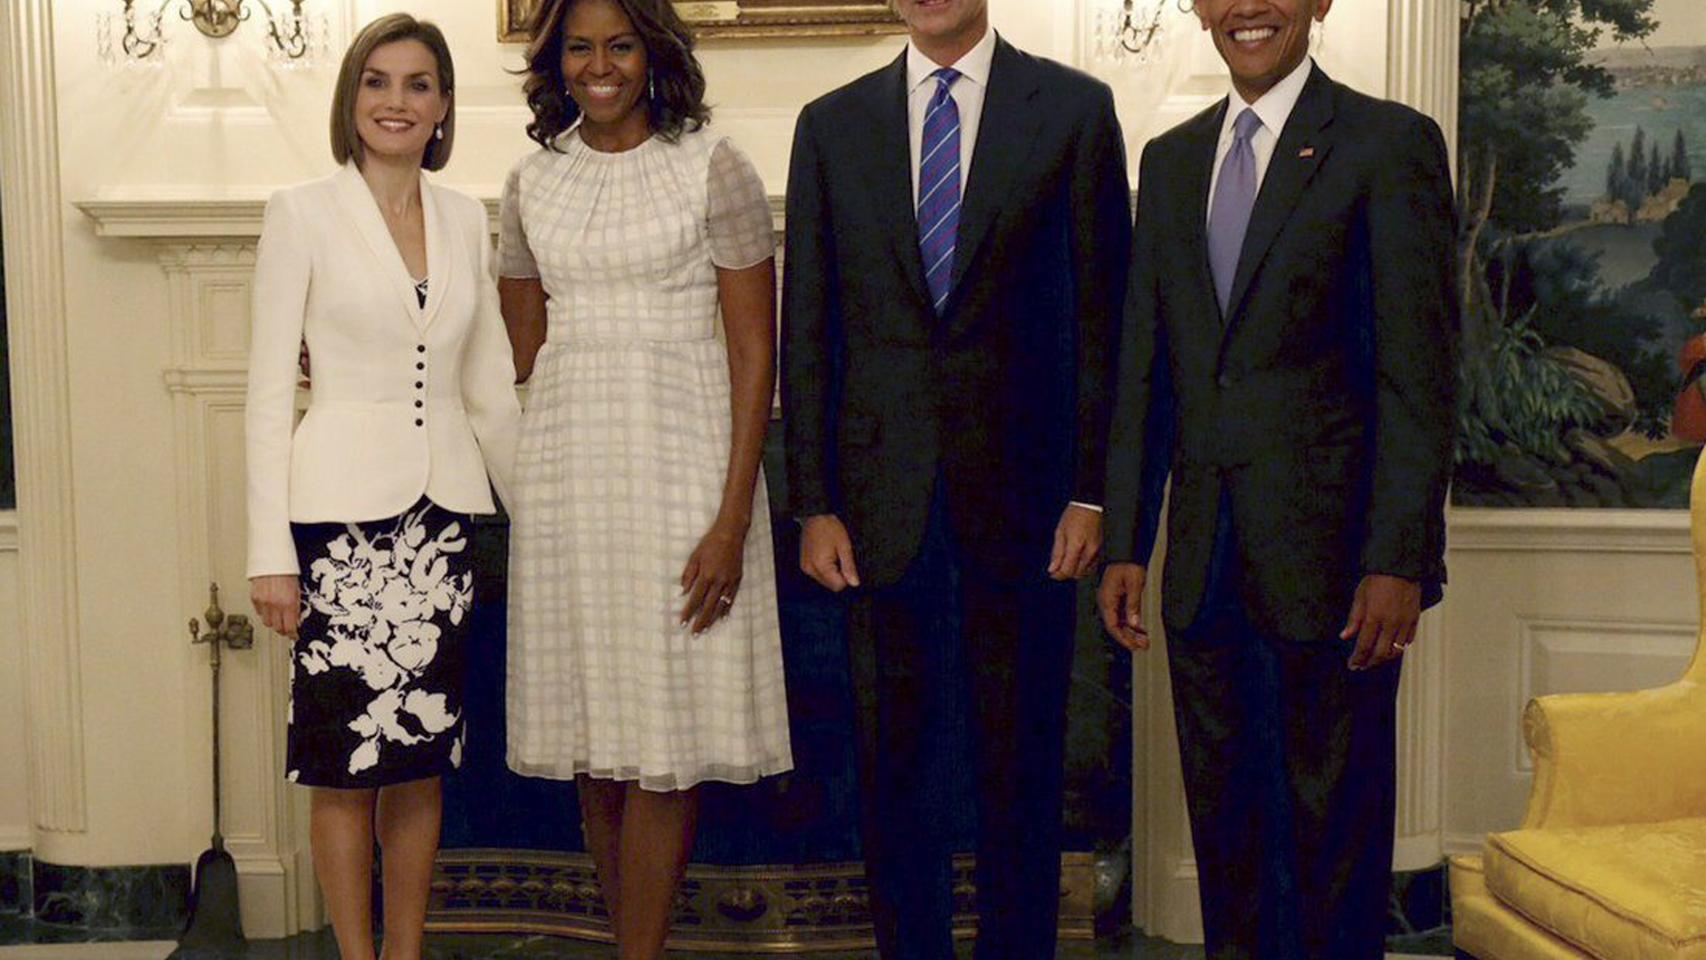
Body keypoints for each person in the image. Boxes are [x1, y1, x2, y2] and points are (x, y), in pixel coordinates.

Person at [1097, 0, 1458, 956]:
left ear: (1319, 2)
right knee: (1229, 841)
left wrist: (1400, 561)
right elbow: (1148, 370)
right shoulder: (1169, 162)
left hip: (1340, 573)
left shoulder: (1388, 144)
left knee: (1334, 846)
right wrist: (1128, 541)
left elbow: (1419, 377)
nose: (1246, 7)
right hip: (1204, 569)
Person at [780, 0, 1131, 955]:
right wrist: (814, 502)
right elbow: (807, 329)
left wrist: (1093, 491)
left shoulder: (1072, 109)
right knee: (896, 773)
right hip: (880, 510)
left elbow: (1106, 320)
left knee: (1022, 769)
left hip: (1030, 510)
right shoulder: (831, 125)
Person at [496, 0, 792, 955]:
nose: (600, 65)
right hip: (571, 478)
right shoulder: (532, 181)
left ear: (653, 52)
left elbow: (755, 353)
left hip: (684, 468)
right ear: (556, 63)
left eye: (618, 44)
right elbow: (521, 349)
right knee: (596, 732)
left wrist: (731, 516)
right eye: (579, 47)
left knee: (664, 741)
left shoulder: (714, 164)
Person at [245, 14, 520, 960]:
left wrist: (538, 514)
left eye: (416, 85)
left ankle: (405, 953)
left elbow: (487, 388)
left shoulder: (463, 216)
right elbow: (267, 392)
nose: (395, 102)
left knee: (421, 761)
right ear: (351, 100)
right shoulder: (301, 212)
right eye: (377, 82)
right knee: (345, 764)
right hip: (337, 531)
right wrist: (268, 555)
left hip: (442, 525)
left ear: (443, 107)